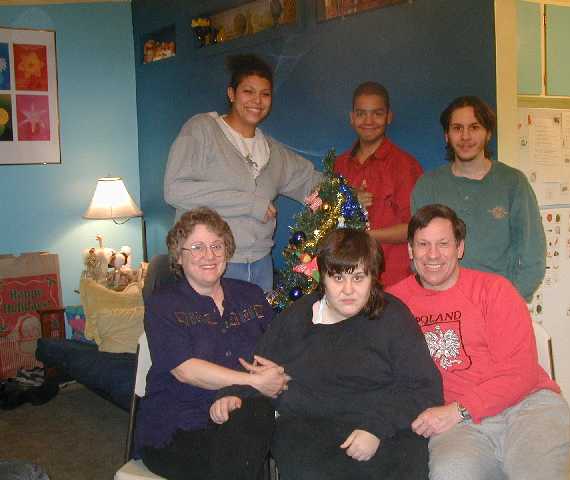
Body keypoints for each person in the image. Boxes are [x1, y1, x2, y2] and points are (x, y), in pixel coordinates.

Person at [212, 228, 443, 480]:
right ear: (322, 278)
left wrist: (376, 429)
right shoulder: (298, 316)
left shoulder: (393, 317)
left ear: (373, 277)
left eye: (358, 278)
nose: (348, 290)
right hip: (311, 431)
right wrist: (232, 394)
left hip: (383, 429)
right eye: (337, 278)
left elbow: (424, 389)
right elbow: (259, 367)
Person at [387, 204, 570, 480]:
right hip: (459, 426)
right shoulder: (393, 303)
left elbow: (521, 373)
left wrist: (459, 409)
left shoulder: (494, 290)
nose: (433, 254)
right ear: (411, 250)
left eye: (443, 244)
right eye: (423, 244)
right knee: (450, 474)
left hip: (526, 406)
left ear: (460, 248)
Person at [133, 207, 289, 480]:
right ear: (179, 256)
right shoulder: (163, 304)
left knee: (257, 418)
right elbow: (185, 370)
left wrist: (239, 393)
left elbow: (278, 350)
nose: (209, 255)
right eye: (197, 247)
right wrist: (252, 383)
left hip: (243, 413)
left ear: (227, 252)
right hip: (178, 426)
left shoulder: (251, 295)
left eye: (217, 246)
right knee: (241, 448)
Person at [164, 54, 323, 291]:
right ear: (232, 94)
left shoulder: (272, 151)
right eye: (248, 91)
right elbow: (175, 190)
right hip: (211, 265)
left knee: (260, 318)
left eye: (265, 94)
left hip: (261, 267)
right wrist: (250, 204)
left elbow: (310, 182)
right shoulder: (202, 130)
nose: (257, 100)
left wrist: (350, 193)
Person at [411, 96, 545, 301]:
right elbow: (419, 256)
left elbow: (533, 257)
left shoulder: (513, 183)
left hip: (498, 303)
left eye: (474, 127)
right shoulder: (427, 186)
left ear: (488, 133)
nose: (465, 136)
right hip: (445, 305)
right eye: (457, 128)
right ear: (447, 135)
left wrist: (508, 303)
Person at [335, 81, 423, 286]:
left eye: (377, 113)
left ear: (389, 117)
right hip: (345, 281)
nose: (368, 121)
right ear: (351, 117)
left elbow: (415, 228)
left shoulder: (406, 166)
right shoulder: (339, 165)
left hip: (392, 280)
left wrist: (366, 236)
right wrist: (349, 200)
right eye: (361, 113)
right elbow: (323, 219)